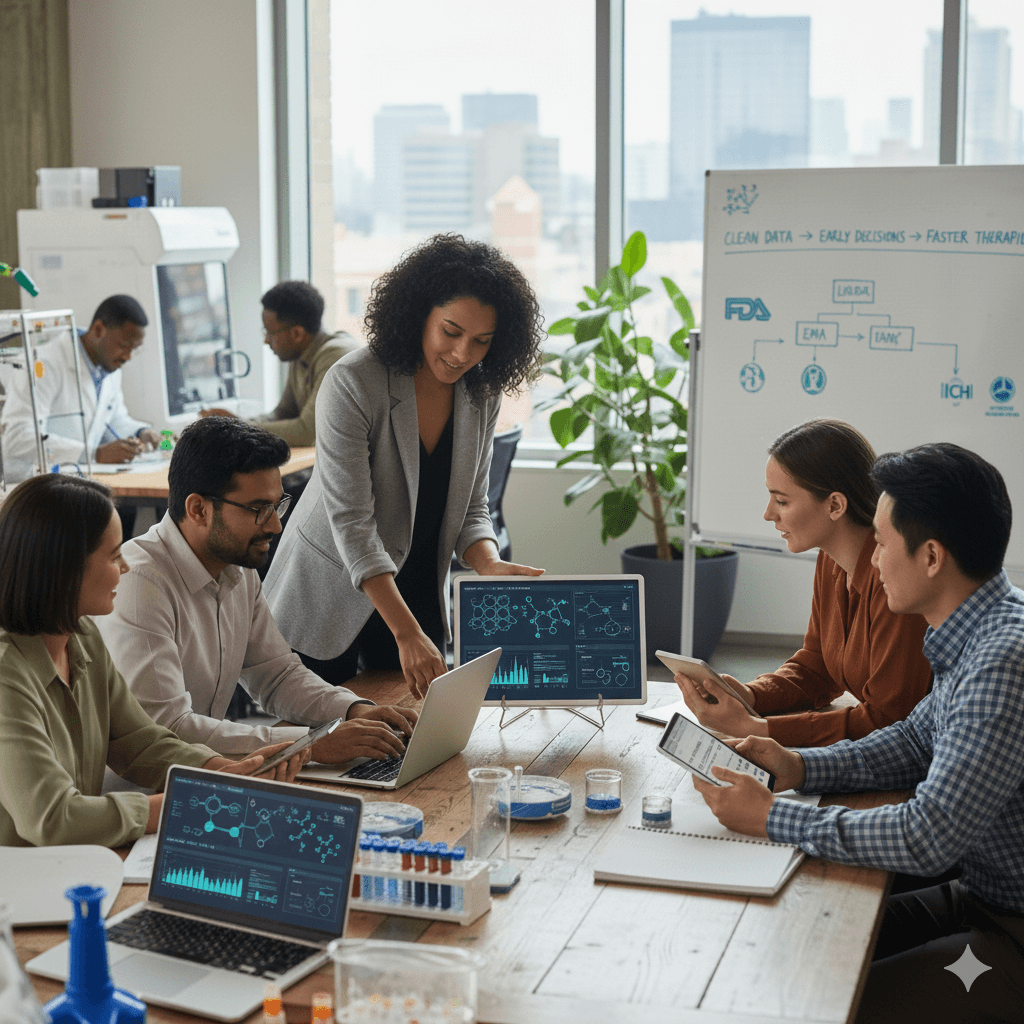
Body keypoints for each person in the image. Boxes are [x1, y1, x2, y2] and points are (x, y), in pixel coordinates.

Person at [688, 443, 1024, 1023]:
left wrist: (772, 817)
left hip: (1010, 930)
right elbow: (914, 741)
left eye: (886, 545)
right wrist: (797, 766)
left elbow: (929, 835)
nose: (873, 562)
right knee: (793, 940)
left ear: (933, 557)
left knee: (822, 1003)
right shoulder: (977, 631)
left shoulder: (1000, 660)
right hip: (978, 897)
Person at [265, 233, 546, 697]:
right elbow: (352, 524)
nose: (461, 354)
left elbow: (473, 508)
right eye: (451, 332)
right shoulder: (353, 382)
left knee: (412, 747)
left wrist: (488, 564)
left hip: (415, 593)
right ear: (420, 314)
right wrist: (405, 632)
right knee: (321, 751)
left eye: (481, 342)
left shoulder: (481, 393)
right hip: (328, 594)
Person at [0, 474, 307, 849]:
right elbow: (53, 818)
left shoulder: (83, 637)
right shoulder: (6, 671)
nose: (125, 567)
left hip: (72, 865)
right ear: (63, 570)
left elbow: (140, 742)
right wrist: (188, 802)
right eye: (114, 556)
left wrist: (222, 771)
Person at [97, 416, 416, 760]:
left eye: (277, 505)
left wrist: (354, 710)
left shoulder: (236, 566)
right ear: (198, 509)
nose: (276, 525)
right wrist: (307, 746)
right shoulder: (140, 583)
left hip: (209, 778)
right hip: (144, 798)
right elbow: (167, 728)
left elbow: (276, 675)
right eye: (259, 509)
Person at [676, 419, 932, 746]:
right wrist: (751, 696)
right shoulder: (831, 559)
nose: (769, 514)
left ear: (835, 505)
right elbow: (817, 668)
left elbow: (888, 721)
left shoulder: (895, 581)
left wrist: (758, 730)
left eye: (781, 501)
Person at [0, 294, 160, 480]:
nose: (128, 357)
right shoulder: (42, 365)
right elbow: (17, 438)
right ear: (99, 329)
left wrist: (141, 432)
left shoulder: (110, 367)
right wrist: (94, 454)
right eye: (124, 346)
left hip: (78, 482)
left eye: (135, 348)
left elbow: (112, 419)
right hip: (35, 487)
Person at [199, 280, 354, 448]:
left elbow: (307, 432)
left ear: (297, 334)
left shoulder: (335, 357)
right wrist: (237, 422)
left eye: (270, 332)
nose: (266, 341)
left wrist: (239, 429)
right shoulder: (301, 355)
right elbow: (283, 413)